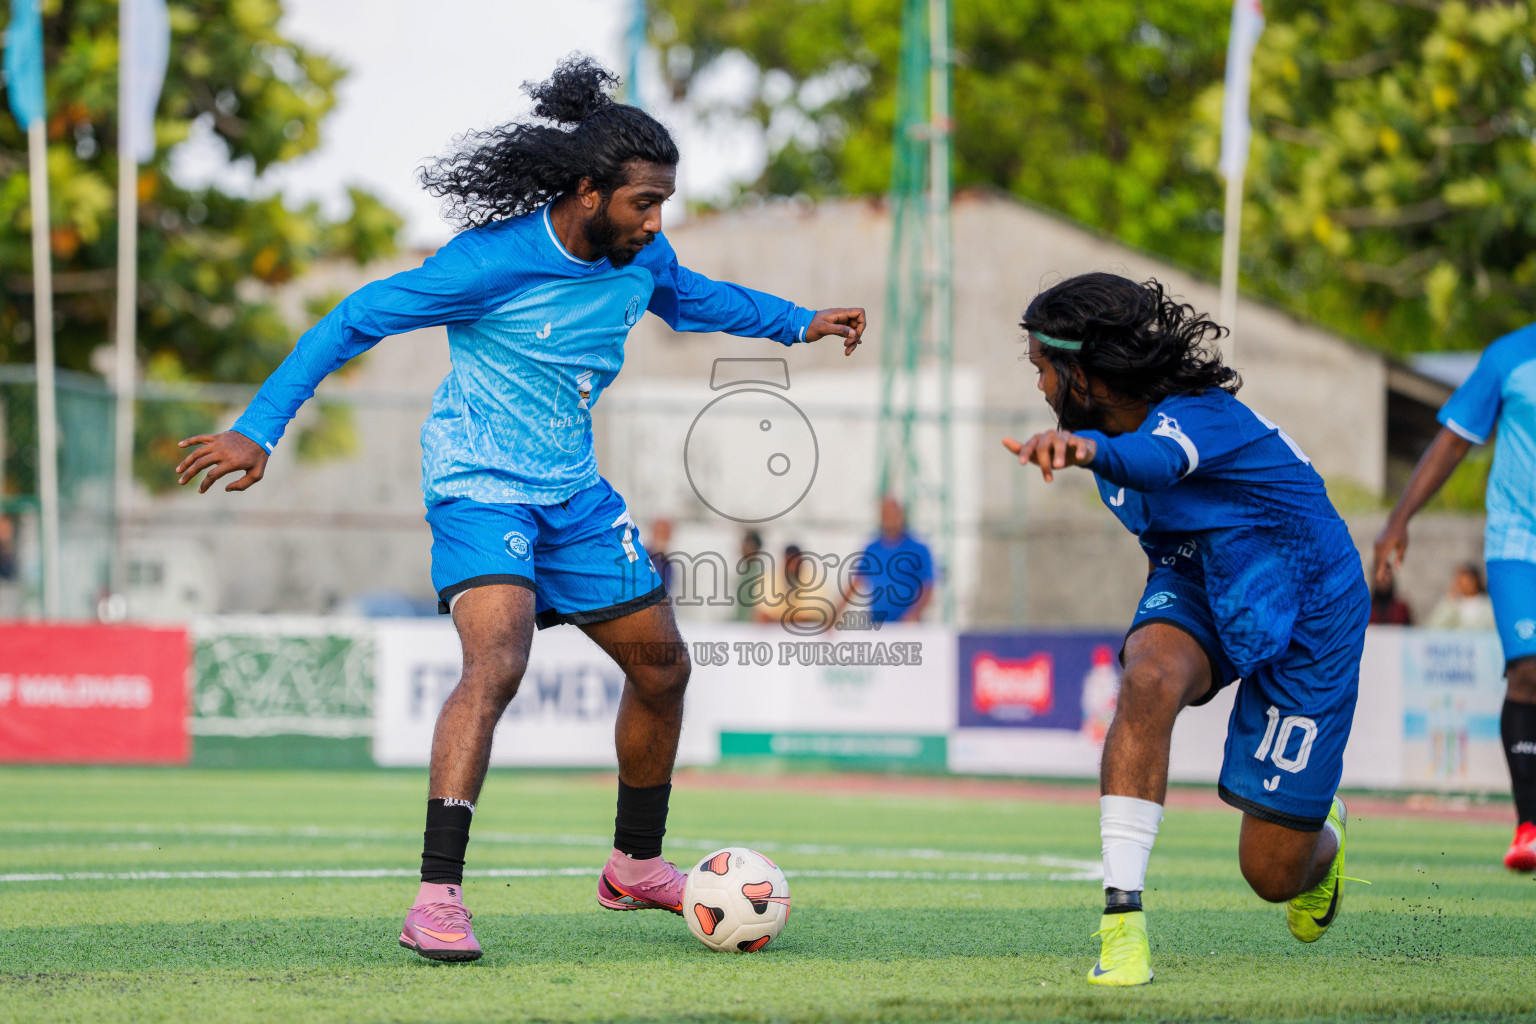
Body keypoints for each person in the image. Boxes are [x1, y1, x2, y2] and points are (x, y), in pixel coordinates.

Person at [172, 57, 866, 963]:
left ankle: (635, 865)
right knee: (496, 662)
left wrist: (799, 321)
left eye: (663, 204)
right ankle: (437, 895)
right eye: (643, 203)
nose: (657, 223)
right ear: (588, 191)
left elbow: (698, 302)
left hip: (573, 495)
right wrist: (260, 429)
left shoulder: (641, 258)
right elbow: (352, 319)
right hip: (477, 483)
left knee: (663, 669)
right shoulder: (489, 264)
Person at [1002, 273, 1367, 987]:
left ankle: (1324, 837)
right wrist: (1157, 636)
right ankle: (1123, 924)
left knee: (1271, 875)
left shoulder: (1199, 420)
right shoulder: (1091, 435)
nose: (1040, 383)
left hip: (1310, 603)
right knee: (1146, 676)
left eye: (1044, 366)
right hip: (1198, 577)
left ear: (1086, 369)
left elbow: (1156, 462)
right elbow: (1159, 526)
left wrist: (1089, 455)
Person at [1374, 323, 1536, 873]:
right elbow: (1453, 439)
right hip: (1519, 540)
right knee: (1529, 671)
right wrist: (1399, 518)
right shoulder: (1509, 356)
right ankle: (1529, 825)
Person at [835, 495, 934, 626]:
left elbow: (927, 586)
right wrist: (836, 613)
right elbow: (856, 583)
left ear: (901, 515)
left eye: (893, 513)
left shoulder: (919, 549)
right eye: (885, 514)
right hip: (878, 625)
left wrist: (914, 615)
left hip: (908, 628)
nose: (889, 518)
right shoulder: (872, 549)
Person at [1424, 563, 1496, 631]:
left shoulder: (1488, 604)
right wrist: (1449, 602)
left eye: (1468, 581)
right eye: (1460, 581)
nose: (1464, 585)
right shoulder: (1451, 604)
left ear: (1476, 581)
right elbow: (1433, 627)